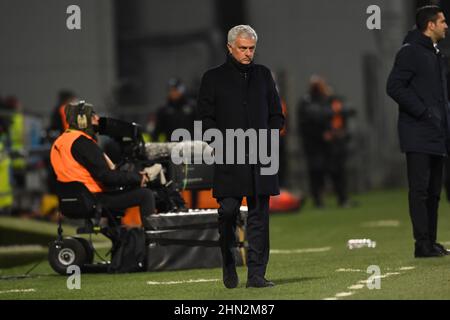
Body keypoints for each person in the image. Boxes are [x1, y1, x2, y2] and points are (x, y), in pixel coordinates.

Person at [197, 25, 284, 288]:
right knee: (228, 212)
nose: (248, 54)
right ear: (230, 48)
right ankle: (228, 258)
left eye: (251, 49)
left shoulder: (263, 75)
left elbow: (277, 114)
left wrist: (269, 135)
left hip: (260, 158)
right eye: (243, 48)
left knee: (259, 218)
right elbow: (204, 119)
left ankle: (256, 275)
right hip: (229, 156)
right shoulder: (212, 78)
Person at [387, 5, 450, 258]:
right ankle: (421, 243)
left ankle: (430, 242)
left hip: (436, 133)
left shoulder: (435, 54)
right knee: (420, 190)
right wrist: (424, 112)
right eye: (443, 21)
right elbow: (394, 87)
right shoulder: (410, 52)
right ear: (430, 25)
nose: (446, 26)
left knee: (434, 191)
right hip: (418, 132)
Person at [50, 101, 155, 228]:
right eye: (93, 116)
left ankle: (121, 241)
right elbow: (106, 177)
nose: (97, 119)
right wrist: (137, 178)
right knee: (146, 194)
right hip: (93, 199)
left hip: (70, 201)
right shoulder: (83, 142)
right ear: (82, 120)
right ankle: (153, 241)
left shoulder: (59, 142)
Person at [297, 75, 354, 208]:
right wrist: (322, 134)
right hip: (315, 144)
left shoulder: (330, 99)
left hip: (331, 144)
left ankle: (342, 198)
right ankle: (318, 200)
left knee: (337, 170)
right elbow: (312, 118)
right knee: (317, 172)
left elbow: (347, 110)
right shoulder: (307, 101)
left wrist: (336, 133)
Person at [152, 78, 196, 142]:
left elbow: (199, 127)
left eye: (176, 90)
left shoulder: (192, 107)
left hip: (190, 146)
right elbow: (157, 131)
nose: (173, 93)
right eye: (171, 90)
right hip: (171, 146)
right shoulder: (163, 110)